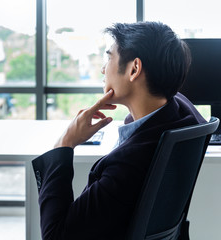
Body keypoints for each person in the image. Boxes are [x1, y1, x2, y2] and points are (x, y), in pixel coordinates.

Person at [32, 21, 206, 240]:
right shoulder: (183, 112)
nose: (103, 69)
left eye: (109, 57)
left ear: (134, 69)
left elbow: (55, 236)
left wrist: (65, 144)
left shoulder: (127, 164)